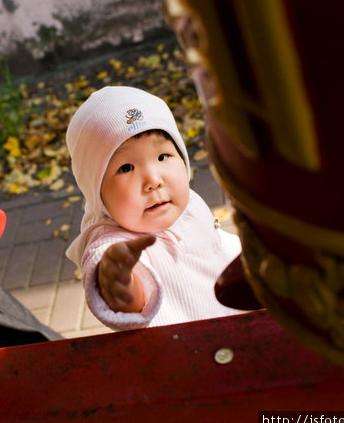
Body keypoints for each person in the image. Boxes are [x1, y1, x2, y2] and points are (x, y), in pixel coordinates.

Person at [65, 86, 241, 330]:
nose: (153, 180)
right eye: (126, 168)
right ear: (97, 192)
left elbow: (216, 246)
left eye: (162, 157)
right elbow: (127, 294)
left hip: (239, 321)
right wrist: (118, 283)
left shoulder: (185, 202)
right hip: (191, 356)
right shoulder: (114, 243)